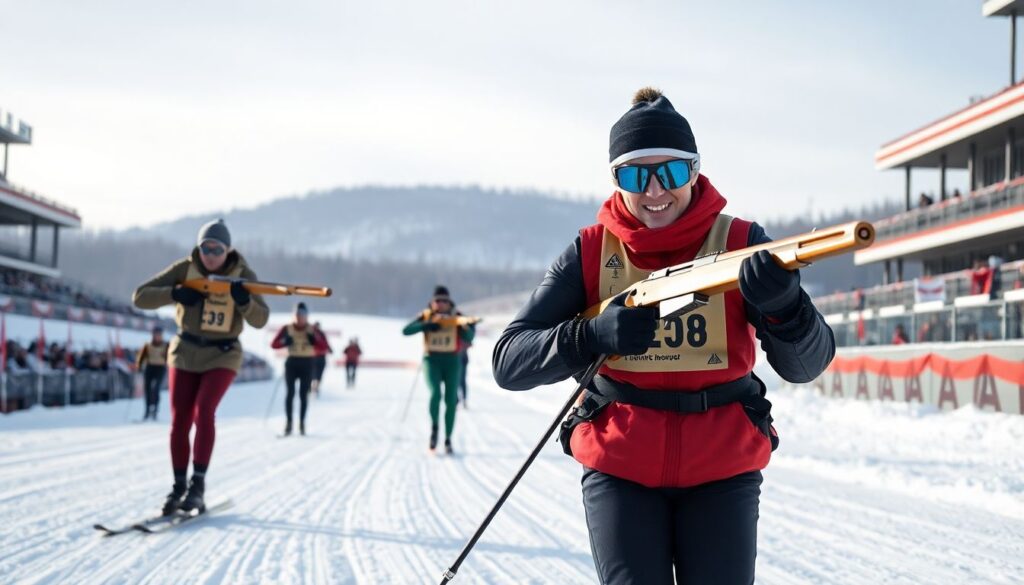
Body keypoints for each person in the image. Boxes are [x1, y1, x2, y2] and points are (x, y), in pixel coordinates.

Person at [492, 88, 835, 584]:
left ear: (695, 170)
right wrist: (590, 336)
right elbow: (508, 361)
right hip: (621, 468)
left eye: (671, 172)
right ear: (616, 179)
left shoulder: (741, 244)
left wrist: (787, 307)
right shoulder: (590, 252)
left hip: (723, 468)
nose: (655, 191)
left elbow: (806, 366)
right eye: (635, 174)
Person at [133, 219, 269, 515]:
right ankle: (178, 486)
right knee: (180, 419)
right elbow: (140, 296)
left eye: (217, 249)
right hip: (185, 350)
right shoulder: (185, 268)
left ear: (228, 250)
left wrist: (244, 301)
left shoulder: (243, 274)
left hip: (222, 353)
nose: (210, 255)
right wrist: (175, 293)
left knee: (204, 411)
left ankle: (198, 484)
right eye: (205, 247)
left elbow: (261, 319)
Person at [402, 285, 475, 454]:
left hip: (452, 361)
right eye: (437, 301)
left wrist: (463, 326)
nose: (441, 304)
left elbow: (470, 336)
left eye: (444, 301)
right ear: (432, 302)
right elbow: (406, 330)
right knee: (435, 394)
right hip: (432, 360)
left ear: (449, 302)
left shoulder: (457, 317)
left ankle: (448, 439)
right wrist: (426, 326)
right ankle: (435, 429)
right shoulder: (426, 316)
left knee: (451, 400)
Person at [270, 303, 327, 435]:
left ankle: (302, 423)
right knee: (290, 394)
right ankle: (289, 423)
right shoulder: (287, 328)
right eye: (296, 315)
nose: (299, 318)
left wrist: (314, 340)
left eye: (301, 315)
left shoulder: (313, 329)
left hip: (307, 363)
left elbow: (324, 347)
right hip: (292, 362)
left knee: (303, 395)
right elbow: (274, 344)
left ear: (306, 316)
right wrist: (285, 341)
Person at [135, 326, 169, 420]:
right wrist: (138, 366)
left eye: (159, 334)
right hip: (150, 367)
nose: (158, 336)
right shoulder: (148, 345)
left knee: (156, 388)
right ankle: (147, 410)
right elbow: (141, 357)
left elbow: (169, 356)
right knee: (147, 389)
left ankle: (155, 410)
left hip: (160, 368)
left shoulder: (166, 345)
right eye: (156, 334)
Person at [310, 321, 332, 396]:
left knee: (318, 374)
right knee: (314, 374)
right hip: (313, 356)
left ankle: (316, 388)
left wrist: (329, 349)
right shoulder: (310, 333)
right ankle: (313, 388)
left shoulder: (322, 334)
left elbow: (326, 343)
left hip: (321, 356)